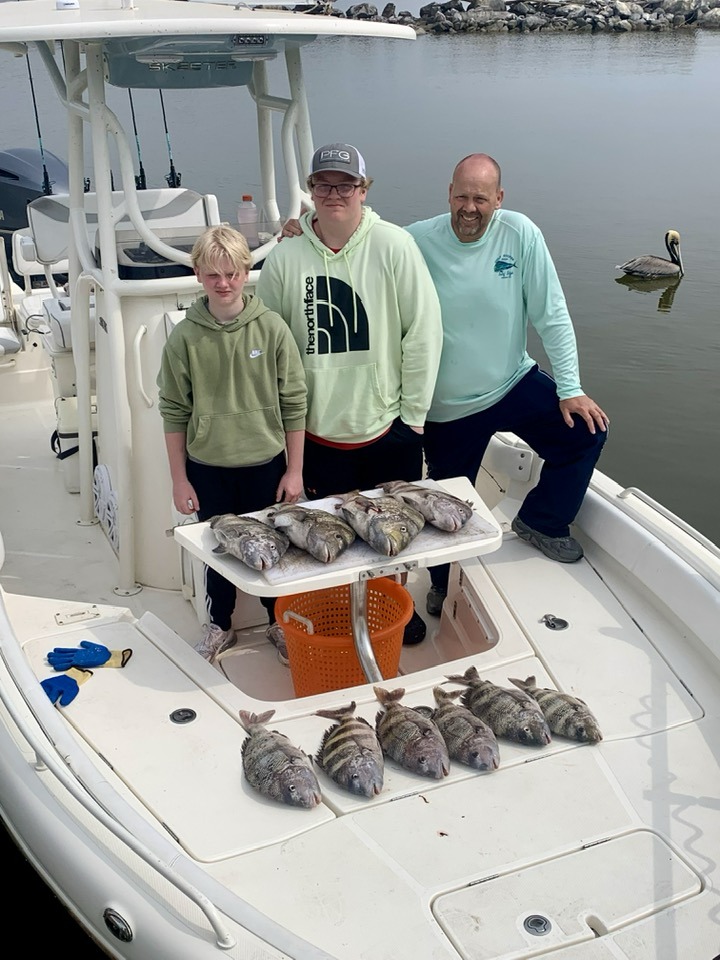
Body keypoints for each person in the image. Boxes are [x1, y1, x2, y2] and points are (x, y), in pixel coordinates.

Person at [403, 153, 609, 615]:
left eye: (481, 197)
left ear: (499, 198)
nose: (469, 207)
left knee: (587, 433)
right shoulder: (416, 239)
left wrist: (570, 388)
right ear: (448, 194)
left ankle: (541, 521)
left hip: (511, 381)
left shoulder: (520, 233)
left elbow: (551, 315)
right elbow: (359, 246)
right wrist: (309, 226)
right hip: (448, 405)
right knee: (447, 502)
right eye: (462, 196)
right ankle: (442, 581)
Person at [256, 142, 443, 646]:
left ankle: (388, 604)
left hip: (387, 429)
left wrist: (414, 417)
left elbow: (423, 332)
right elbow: (268, 340)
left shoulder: (394, 245)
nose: (333, 193)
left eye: (345, 184)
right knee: (325, 536)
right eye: (323, 184)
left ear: (364, 190)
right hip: (314, 434)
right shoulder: (285, 257)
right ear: (311, 192)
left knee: (391, 535)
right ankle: (334, 606)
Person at [157, 225, 307, 663]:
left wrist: (294, 469)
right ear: (198, 275)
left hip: (266, 463)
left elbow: (295, 401)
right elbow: (173, 410)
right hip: (208, 466)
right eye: (212, 275)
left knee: (274, 549)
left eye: (232, 273)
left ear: (247, 272)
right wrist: (179, 479)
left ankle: (278, 620)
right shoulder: (184, 338)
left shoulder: (272, 329)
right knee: (219, 554)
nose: (223, 284)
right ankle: (220, 624)